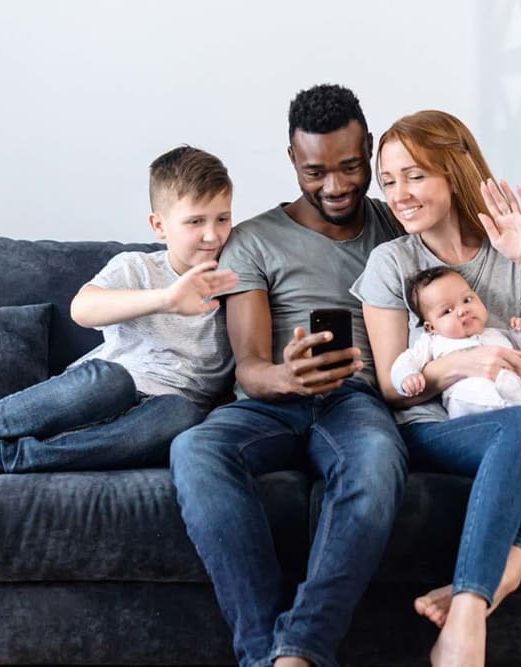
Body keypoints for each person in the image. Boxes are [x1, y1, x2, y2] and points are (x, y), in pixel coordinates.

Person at [350, 110, 521, 667]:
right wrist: (462, 364)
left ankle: (506, 572)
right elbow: (391, 387)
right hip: (445, 426)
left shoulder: (512, 245)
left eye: (413, 176)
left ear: (451, 171)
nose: (397, 194)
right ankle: (470, 611)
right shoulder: (392, 262)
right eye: (388, 181)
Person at [169, 84, 408, 667]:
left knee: (377, 464)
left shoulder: (399, 225)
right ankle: (265, 655)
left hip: (355, 400)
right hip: (272, 403)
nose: (335, 186)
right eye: (315, 171)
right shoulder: (251, 241)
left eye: (352, 167)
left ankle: (299, 650)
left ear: (370, 150)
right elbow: (249, 367)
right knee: (195, 451)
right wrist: (286, 374)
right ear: (292, 162)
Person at [0, 146, 238, 485]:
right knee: (111, 381)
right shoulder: (138, 267)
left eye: (222, 219)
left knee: (182, 415)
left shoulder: (241, 278)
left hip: (160, 412)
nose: (212, 235)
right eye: (195, 222)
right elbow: (83, 309)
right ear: (159, 226)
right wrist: (167, 299)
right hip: (105, 388)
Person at [393, 266, 521, 424]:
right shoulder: (433, 341)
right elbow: (405, 361)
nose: (462, 310)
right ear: (431, 327)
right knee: (476, 393)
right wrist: (407, 377)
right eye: (447, 311)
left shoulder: (497, 334)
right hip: (471, 400)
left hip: (516, 387)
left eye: (467, 300)